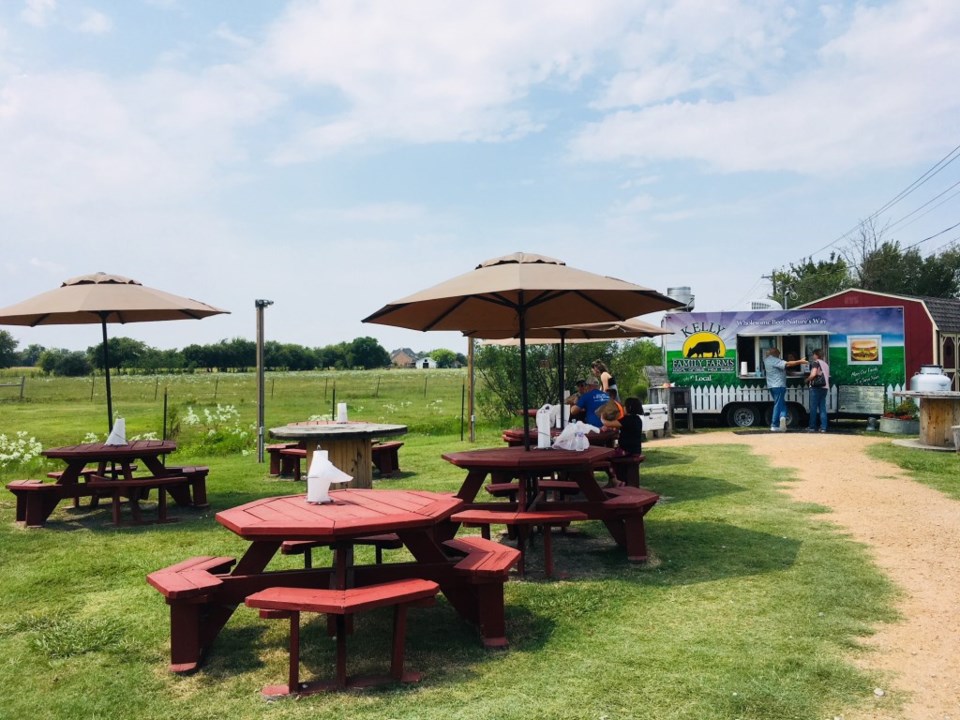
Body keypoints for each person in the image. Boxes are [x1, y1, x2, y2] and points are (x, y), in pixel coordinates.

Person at [763, 348, 805, 431]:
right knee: (778, 404)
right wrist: (800, 361)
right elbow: (788, 364)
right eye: (778, 354)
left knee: (781, 403)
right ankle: (774, 425)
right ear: (774, 353)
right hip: (779, 385)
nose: (779, 355)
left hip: (771, 385)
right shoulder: (775, 360)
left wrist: (788, 373)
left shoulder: (766, 360)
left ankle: (782, 417)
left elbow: (778, 369)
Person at [806, 348, 830, 433]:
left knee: (813, 408)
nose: (813, 356)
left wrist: (807, 380)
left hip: (816, 387)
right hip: (825, 387)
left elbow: (813, 374)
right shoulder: (825, 364)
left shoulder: (816, 363)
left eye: (813, 354)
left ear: (816, 355)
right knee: (822, 408)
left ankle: (812, 427)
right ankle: (823, 427)